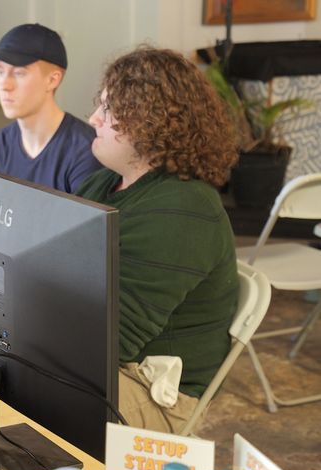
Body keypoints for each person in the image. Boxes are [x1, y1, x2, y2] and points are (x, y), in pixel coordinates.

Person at [76, 47, 240, 433]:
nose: (93, 118)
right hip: (105, 366)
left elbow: (111, 342)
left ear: (149, 123)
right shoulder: (103, 182)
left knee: (10, 386)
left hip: (154, 393)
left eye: (109, 110)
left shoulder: (183, 209)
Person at [0, 23, 102, 193]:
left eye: (19, 73)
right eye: (0, 72)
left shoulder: (85, 151)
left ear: (52, 80)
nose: (5, 85)